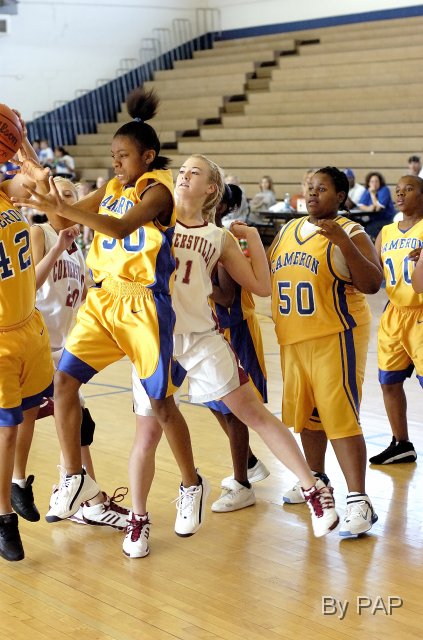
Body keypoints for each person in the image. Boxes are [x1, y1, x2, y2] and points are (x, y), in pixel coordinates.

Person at [12, 88, 209, 546]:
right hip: (103, 301)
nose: (116, 163)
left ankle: (191, 483)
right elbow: (66, 224)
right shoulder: (114, 187)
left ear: (148, 156)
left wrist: (62, 207)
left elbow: (119, 228)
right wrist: (40, 181)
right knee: (64, 383)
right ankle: (75, 477)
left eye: (123, 156)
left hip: (144, 305)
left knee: (161, 405)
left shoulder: (158, 191)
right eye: (113, 156)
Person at [126, 154, 339, 559]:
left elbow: (261, 286)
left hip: (201, 338)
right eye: (182, 171)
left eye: (195, 173)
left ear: (211, 189)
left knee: (254, 413)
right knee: (147, 435)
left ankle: (313, 489)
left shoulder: (218, 237)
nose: (184, 176)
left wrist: (253, 238)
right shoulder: (152, 219)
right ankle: (139, 519)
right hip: (152, 339)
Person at [268, 166, 383, 537]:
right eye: (309, 187)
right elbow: (265, 277)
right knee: (308, 414)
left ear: (340, 197)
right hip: (293, 337)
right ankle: (316, 479)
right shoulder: (287, 230)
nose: (313, 193)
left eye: (322, 188)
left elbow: (372, 282)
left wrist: (343, 242)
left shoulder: (351, 231)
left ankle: (359, 500)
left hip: (336, 335)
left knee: (340, 417)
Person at [11, 177, 130, 530]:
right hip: (37, 344)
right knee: (60, 420)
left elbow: (84, 297)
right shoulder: (40, 233)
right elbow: (29, 285)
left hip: (63, 346)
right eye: (59, 194)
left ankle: (84, 497)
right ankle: (30, 485)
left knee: (77, 424)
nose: (64, 201)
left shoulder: (79, 249)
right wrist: (57, 248)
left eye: (70, 196)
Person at [0, 112, 54, 562]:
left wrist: (23, 146)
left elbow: (38, 187)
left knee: (33, 408)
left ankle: (18, 482)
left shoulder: (5, 192)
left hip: (30, 326)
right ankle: (3, 518)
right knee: (7, 429)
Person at [206, 182, 270, 511]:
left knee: (234, 410)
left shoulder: (222, 240)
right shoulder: (200, 235)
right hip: (210, 330)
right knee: (215, 403)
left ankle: (242, 485)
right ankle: (250, 462)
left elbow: (227, 296)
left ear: (220, 205)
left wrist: (191, 283)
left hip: (234, 329)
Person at [368, 175, 423, 465]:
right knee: (388, 382)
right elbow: (372, 272)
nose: (400, 194)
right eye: (397, 190)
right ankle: (401, 443)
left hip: (421, 313)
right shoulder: (386, 232)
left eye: (408, 189)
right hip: (394, 313)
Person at [357, 171, 396, 241]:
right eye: (372, 182)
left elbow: (378, 208)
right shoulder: (367, 190)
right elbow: (361, 205)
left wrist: (372, 194)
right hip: (374, 219)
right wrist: (369, 208)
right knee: (359, 226)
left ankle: (377, 244)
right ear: (368, 183)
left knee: (370, 228)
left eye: (376, 181)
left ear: (380, 182)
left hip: (387, 219)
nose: (374, 183)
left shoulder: (384, 190)